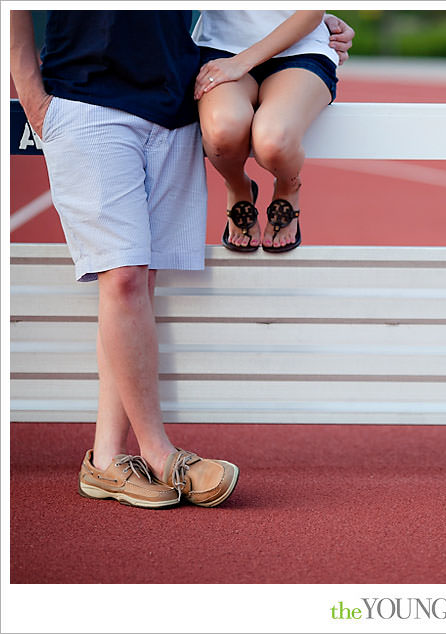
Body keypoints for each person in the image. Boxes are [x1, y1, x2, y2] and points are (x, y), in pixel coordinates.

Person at [9, 10, 355, 509]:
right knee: (124, 277)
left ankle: (106, 459)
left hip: (173, 106)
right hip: (86, 98)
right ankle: (160, 453)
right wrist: (32, 95)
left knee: (134, 285)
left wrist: (320, 24)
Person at [191, 10, 341, 253]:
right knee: (222, 132)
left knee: (274, 140)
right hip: (221, 48)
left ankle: (287, 186)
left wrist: (243, 61)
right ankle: (239, 187)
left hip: (300, 49)